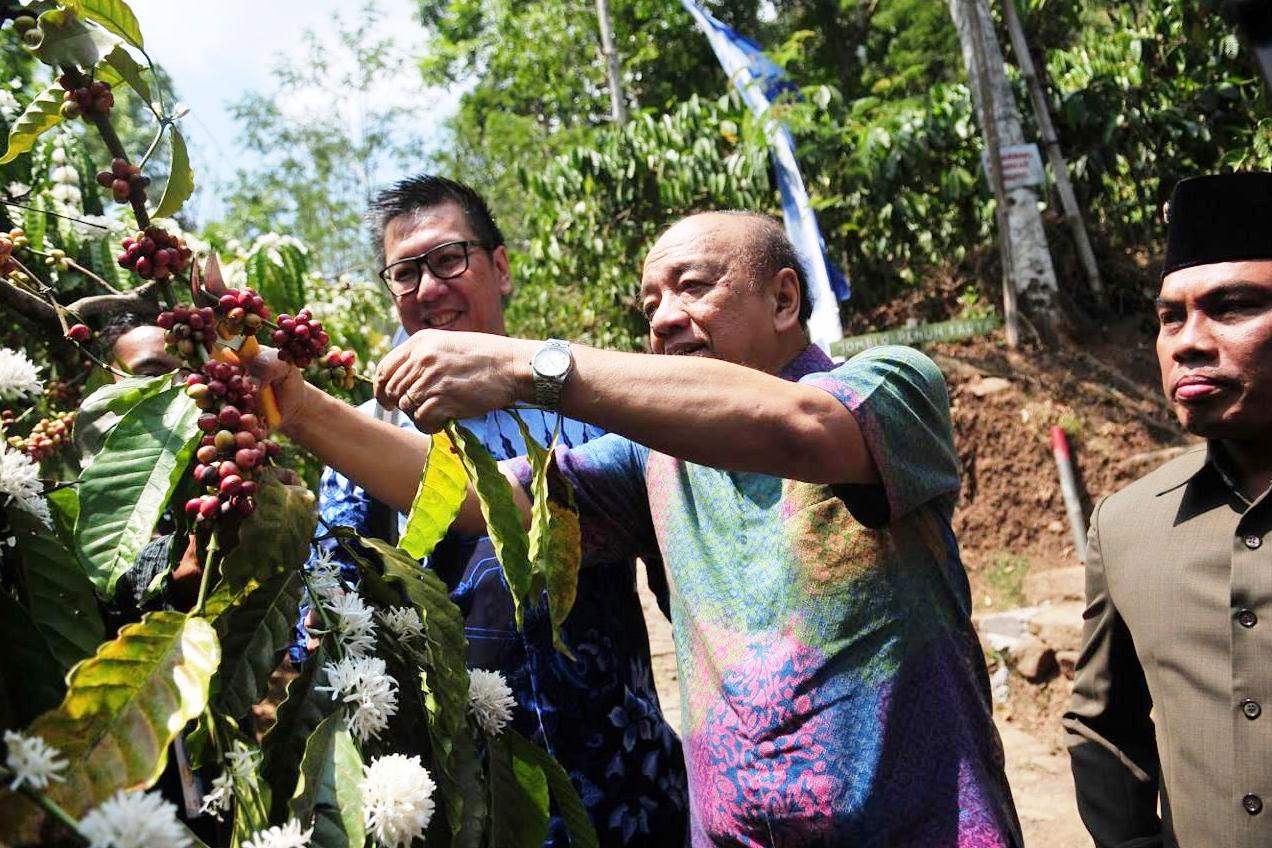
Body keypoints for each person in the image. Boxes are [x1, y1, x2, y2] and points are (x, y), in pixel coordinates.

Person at [262, 210, 1022, 847]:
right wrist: (296, 406)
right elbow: (476, 500)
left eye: (693, 286)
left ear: (784, 299)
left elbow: (802, 429)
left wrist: (530, 367)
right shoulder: (653, 458)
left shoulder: (890, 384)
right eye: (650, 301)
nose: (662, 317)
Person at [298, 175, 688, 847]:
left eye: (449, 259)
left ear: (500, 268)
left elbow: (684, 577)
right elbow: (331, 617)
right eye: (405, 273)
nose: (428, 288)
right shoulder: (364, 441)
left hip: (630, 788)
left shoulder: (586, 409)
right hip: (473, 807)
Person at [1064, 172, 1272, 847]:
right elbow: (1102, 726)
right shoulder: (1127, 524)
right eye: (1170, 317)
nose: (1187, 341)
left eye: (1232, 307)